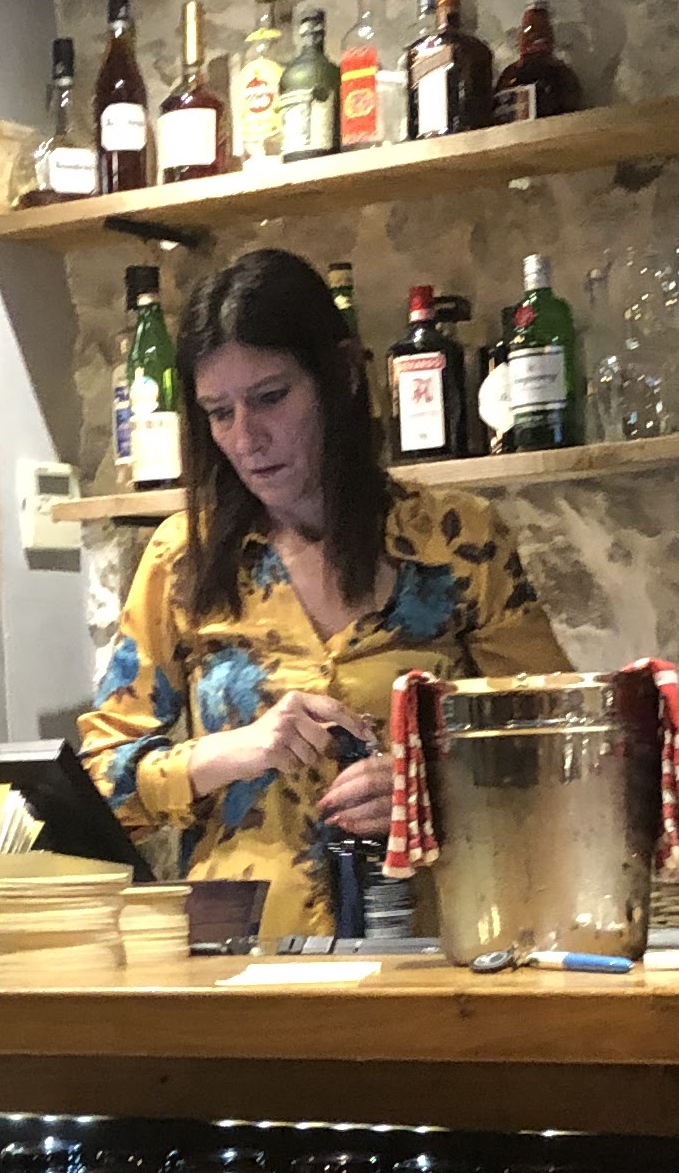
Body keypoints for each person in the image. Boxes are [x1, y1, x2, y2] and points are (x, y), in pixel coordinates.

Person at [77, 242, 562, 938]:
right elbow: (101, 784)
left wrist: (431, 789)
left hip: (438, 947)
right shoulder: (182, 560)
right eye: (218, 412)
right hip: (242, 959)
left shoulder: (459, 540)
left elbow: (562, 748)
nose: (246, 438)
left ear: (340, 377)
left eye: (270, 398)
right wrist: (233, 751)